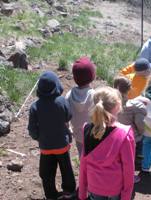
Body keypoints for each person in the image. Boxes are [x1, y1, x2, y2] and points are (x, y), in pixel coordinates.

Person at [79, 87, 135, 200]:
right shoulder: (125, 134)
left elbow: (83, 163)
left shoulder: (87, 129)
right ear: (118, 106)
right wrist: (126, 196)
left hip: (94, 186)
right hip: (114, 189)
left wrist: (82, 192)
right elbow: (129, 169)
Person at [28, 71, 76, 200]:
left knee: (46, 173)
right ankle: (69, 191)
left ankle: (50, 194)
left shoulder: (34, 107)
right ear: (57, 85)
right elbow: (68, 116)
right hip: (62, 145)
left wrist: (38, 137)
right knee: (66, 168)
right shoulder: (62, 101)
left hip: (46, 146)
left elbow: (32, 129)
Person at [66, 57, 96, 157]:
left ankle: (83, 171)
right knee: (93, 156)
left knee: (82, 156)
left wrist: (68, 128)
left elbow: (66, 115)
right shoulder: (94, 95)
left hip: (78, 134)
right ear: (92, 76)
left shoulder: (69, 94)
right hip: (92, 135)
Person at [114, 76, 146, 163]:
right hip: (131, 139)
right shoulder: (135, 106)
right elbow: (141, 124)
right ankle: (139, 156)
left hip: (115, 137)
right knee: (144, 136)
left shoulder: (109, 104)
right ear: (129, 89)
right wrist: (141, 132)